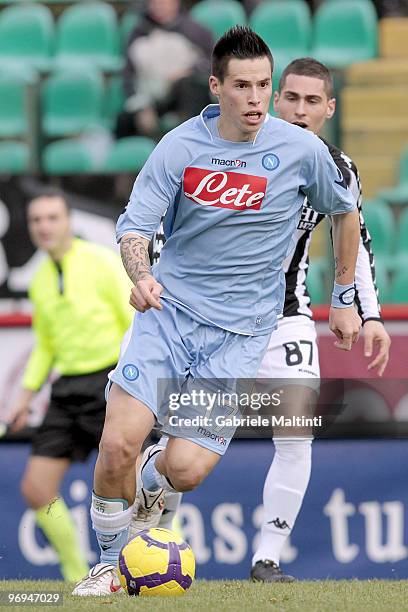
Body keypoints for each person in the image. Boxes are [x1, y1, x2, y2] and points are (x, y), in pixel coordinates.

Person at [73, 26, 361, 596]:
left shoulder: (303, 151)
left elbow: (345, 211)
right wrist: (142, 275)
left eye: (263, 86)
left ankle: (156, 478)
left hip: (237, 338)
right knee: (115, 444)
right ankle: (107, 565)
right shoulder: (179, 147)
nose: (256, 99)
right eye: (243, 86)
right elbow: (134, 226)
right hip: (169, 316)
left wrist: (346, 296)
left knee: (184, 471)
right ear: (216, 87)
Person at [248, 58, 392, 582]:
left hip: (286, 315)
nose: (301, 110)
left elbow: (354, 235)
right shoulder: (233, 152)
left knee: (295, 431)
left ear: (329, 109)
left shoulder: (336, 167)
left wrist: (364, 310)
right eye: (292, 98)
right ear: (273, 99)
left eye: (313, 101)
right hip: (214, 319)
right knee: (186, 451)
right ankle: (157, 525)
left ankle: (267, 558)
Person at [8, 189, 133, 582]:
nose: (44, 227)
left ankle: (158, 563)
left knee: (132, 485)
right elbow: (44, 345)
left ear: (68, 222)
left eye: (52, 218)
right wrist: (23, 399)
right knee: (36, 488)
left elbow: (135, 322)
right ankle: (76, 573)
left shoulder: (100, 262)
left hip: (111, 381)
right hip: (66, 390)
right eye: (36, 220)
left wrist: (135, 383)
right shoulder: (40, 279)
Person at [115, 0, 214, 140]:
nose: (159, 5)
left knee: (191, 86)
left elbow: (213, 63)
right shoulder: (138, 34)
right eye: (154, 2)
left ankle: (189, 138)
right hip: (152, 98)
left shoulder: (196, 30)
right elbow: (128, 76)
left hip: (184, 96)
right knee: (124, 121)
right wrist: (140, 106)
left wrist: (190, 71)